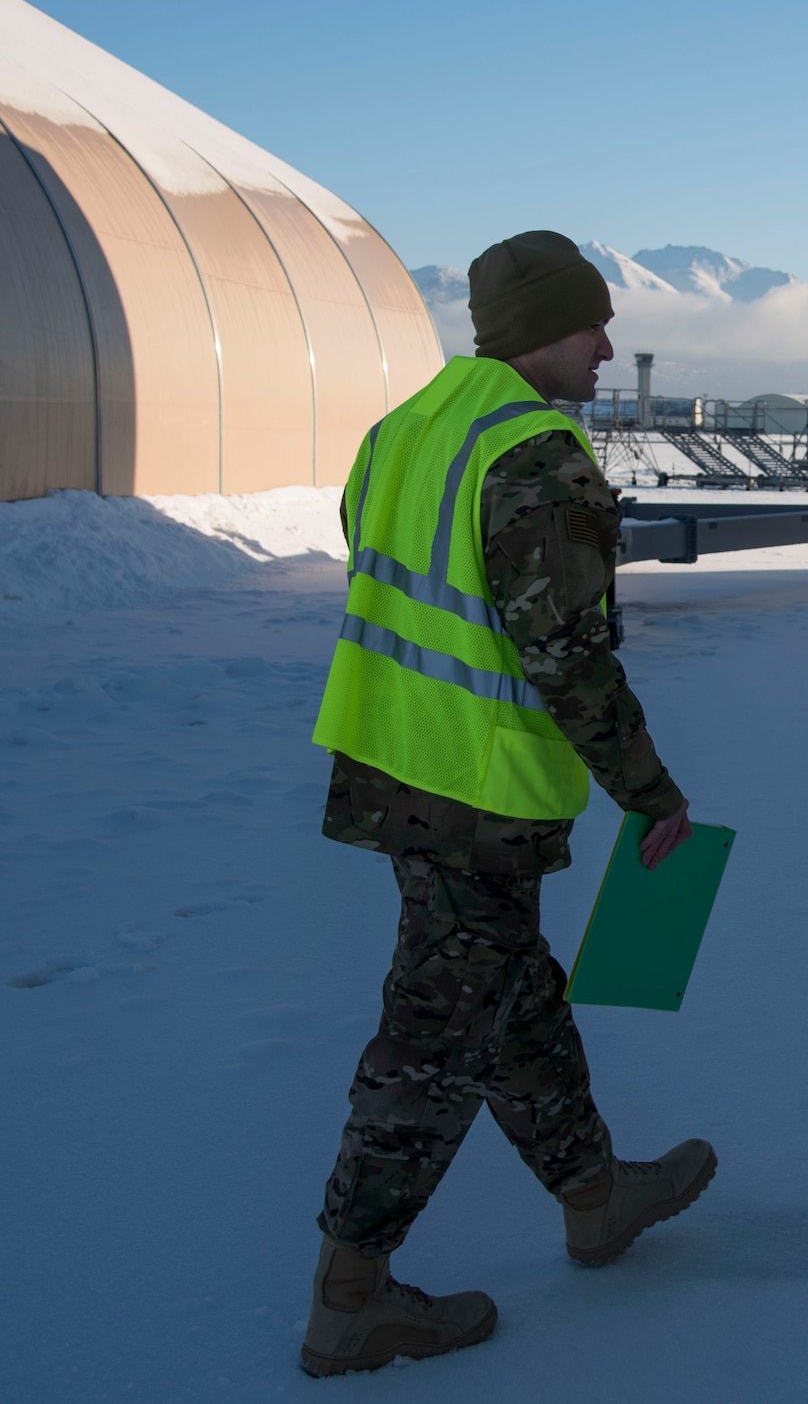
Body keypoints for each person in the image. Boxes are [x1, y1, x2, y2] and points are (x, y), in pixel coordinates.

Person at [299, 231, 714, 1377]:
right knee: (433, 1038)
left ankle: (593, 1194)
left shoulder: (410, 427)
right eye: (594, 326)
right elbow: (566, 654)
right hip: (478, 789)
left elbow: (376, 561)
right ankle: (351, 1299)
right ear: (542, 330)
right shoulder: (535, 454)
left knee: (504, 993)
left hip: (394, 764)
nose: (609, 347)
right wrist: (647, 791)